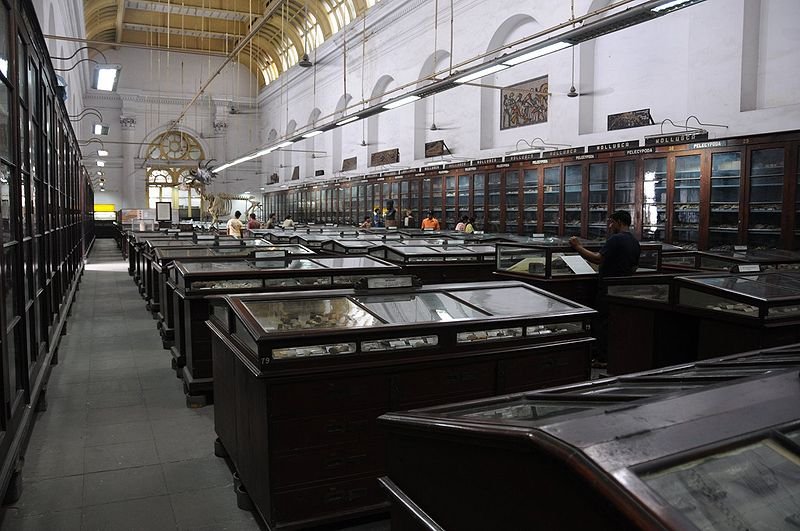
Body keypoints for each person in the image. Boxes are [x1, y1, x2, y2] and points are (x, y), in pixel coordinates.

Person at [569, 210, 641, 368]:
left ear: (620, 222)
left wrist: (578, 247)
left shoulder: (615, 239)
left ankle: (602, 359)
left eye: (612, 222)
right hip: (622, 289)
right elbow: (634, 267)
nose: (610, 226)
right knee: (615, 324)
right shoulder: (634, 242)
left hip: (607, 288)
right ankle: (613, 356)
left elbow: (597, 258)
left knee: (602, 324)